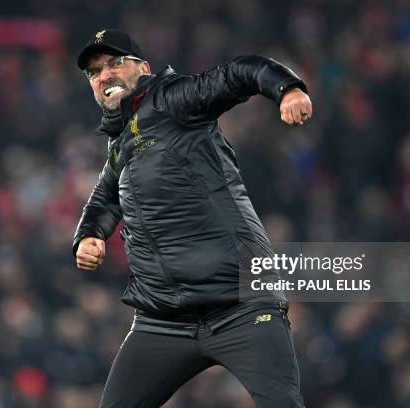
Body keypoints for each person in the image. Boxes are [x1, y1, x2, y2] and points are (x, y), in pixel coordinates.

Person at [73, 28, 312, 408]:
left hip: (240, 305)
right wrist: (88, 236)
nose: (104, 76)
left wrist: (287, 88)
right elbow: (103, 198)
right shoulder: (120, 145)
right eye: (94, 72)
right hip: (164, 321)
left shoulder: (173, 99)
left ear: (144, 68)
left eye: (115, 62)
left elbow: (239, 73)